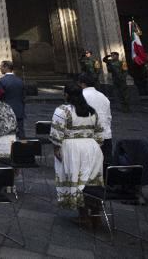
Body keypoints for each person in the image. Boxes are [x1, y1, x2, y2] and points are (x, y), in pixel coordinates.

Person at [51, 82, 104, 224]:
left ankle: (83, 215)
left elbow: (56, 133)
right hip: (92, 147)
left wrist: (56, 148)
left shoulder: (63, 110)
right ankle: (96, 214)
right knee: (92, 180)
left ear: (66, 95)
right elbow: (100, 134)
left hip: (72, 148)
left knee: (76, 179)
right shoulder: (92, 111)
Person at [78, 73, 112, 165]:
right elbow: (108, 118)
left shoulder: (80, 97)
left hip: (87, 137)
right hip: (105, 136)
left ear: (82, 84)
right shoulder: (103, 97)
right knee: (105, 167)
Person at [0, 60, 26, 138]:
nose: (0, 69)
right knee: (21, 132)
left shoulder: (1, 81)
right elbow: (23, 97)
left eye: (1, 67)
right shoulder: (20, 81)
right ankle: (24, 149)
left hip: (6, 111)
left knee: (8, 134)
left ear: (6, 67)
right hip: (19, 110)